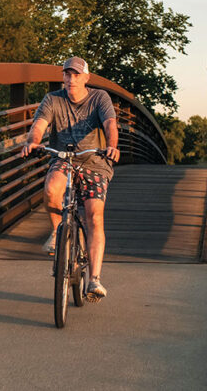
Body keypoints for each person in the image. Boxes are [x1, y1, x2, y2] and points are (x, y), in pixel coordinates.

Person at [20, 56, 120, 301]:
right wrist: (33, 141)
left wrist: (112, 146)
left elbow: (110, 124)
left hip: (95, 161)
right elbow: (39, 124)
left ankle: (94, 280)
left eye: (76, 75)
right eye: (67, 74)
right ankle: (58, 232)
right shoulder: (53, 99)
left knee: (94, 216)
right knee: (52, 190)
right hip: (63, 158)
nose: (71, 79)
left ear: (86, 77)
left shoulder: (99, 98)